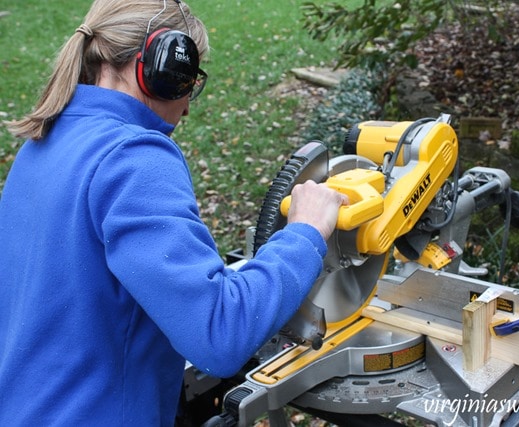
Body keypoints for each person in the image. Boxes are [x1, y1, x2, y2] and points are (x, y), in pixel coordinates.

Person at [0, 0, 347, 425]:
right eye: (188, 83)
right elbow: (221, 334)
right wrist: (306, 232)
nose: (185, 108)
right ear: (162, 68)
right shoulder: (133, 157)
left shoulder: (42, 143)